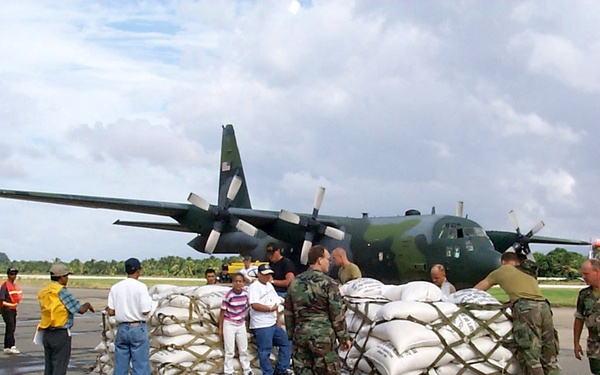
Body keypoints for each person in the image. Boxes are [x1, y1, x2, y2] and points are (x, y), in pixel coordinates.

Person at [474, 251, 560, 375]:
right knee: (549, 354)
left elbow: (478, 289)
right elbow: (525, 292)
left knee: (530, 353)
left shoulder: (501, 271)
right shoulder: (526, 272)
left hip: (526, 309)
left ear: (503, 262)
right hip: (544, 306)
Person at [285, 245, 352, 374]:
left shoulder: (294, 283)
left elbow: (288, 312)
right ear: (320, 260)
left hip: (301, 336)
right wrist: (344, 338)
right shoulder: (328, 283)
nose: (330, 263)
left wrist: (292, 334)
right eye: (328, 259)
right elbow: (336, 313)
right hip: (323, 337)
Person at [38, 264, 95, 375]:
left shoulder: (45, 291)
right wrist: (87, 305)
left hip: (47, 333)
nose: (67, 278)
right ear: (61, 277)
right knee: (59, 367)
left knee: (49, 367)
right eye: (66, 276)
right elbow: (80, 309)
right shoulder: (61, 291)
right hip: (60, 334)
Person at [107, 258, 152, 375]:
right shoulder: (141, 287)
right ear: (138, 271)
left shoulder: (115, 287)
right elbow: (145, 311)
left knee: (120, 366)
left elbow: (111, 311)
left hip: (122, 328)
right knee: (140, 366)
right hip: (137, 327)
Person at [248, 264, 292, 375]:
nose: (268, 276)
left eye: (269, 274)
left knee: (286, 343)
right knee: (264, 350)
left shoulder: (269, 286)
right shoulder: (254, 287)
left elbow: (275, 303)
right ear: (259, 274)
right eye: (265, 274)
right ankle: (267, 372)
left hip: (272, 322)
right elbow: (254, 304)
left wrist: (277, 319)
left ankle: (281, 369)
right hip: (261, 324)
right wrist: (269, 309)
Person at [219, 273, 252, 375]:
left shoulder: (246, 294)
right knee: (229, 350)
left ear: (243, 283)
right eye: (236, 281)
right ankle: (228, 371)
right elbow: (222, 312)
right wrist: (220, 328)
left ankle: (247, 370)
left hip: (240, 323)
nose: (238, 283)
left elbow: (247, 308)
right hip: (229, 323)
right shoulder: (229, 295)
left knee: (243, 349)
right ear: (233, 283)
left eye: (240, 281)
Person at [574, 258, 600, 374]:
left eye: (586, 274)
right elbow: (579, 319)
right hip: (594, 347)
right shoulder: (584, 295)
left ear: (597, 272)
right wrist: (576, 343)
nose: (583, 277)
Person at [1, 267, 23, 354]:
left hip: (13, 309)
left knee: (11, 328)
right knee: (11, 327)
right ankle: (11, 346)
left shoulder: (15, 286)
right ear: (8, 275)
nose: (14, 276)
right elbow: (1, 299)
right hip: (6, 309)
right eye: (12, 274)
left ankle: (7, 346)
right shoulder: (5, 285)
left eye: (15, 274)